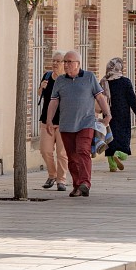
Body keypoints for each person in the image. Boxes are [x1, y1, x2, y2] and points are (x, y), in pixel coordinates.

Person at [46, 50, 110, 197]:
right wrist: (49, 120)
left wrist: (107, 114)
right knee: (72, 157)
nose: (66, 64)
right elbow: (54, 102)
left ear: (78, 64)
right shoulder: (60, 81)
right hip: (67, 125)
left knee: (83, 151)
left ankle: (85, 183)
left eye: (69, 62)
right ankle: (77, 185)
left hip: (86, 123)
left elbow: (100, 97)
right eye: (65, 62)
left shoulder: (89, 77)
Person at [102, 57, 136, 172]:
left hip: (108, 114)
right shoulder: (125, 82)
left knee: (109, 138)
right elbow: (132, 99)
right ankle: (119, 154)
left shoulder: (104, 81)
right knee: (124, 139)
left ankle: (112, 166)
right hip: (122, 114)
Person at [38, 53, 69, 191]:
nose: (55, 63)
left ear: (64, 63)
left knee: (62, 154)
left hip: (63, 122)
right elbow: (40, 94)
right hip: (46, 121)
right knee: (45, 151)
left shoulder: (67, 79)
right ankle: (52, 174)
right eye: (54, 61)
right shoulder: (47, 76)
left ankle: (61, 180)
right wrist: (41, 88)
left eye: (59, 61)